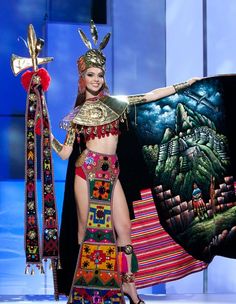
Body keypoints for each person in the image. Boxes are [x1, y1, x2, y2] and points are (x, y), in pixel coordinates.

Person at [51, 21, 198, 304]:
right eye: (91, 74)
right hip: (87, 171)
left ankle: (129, 286)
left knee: (124, 229)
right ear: (82, 78)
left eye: (99, 74)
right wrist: (47, 134)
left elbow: (150, 96)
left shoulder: (118, 103)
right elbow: (65, 154)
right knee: (84, 230)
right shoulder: (77, 115)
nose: (96, 79)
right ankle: (84, 288)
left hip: (112, 172)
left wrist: (184, 86)